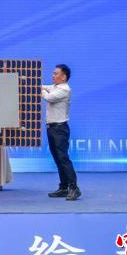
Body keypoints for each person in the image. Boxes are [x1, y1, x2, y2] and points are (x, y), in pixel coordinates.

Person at [42, 64, 81, 201]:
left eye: (56, 73)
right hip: (51, 128)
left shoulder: (64, 89)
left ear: (63, 77)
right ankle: (64, 187)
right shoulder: (55, 87)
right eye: (53, 73)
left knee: (63, 158)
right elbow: (44, 87)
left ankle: (74, 188)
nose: (53, 75)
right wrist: (37, 86)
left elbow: (48, 97)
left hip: (60, 129)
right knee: (58, 159)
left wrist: (40, 90)